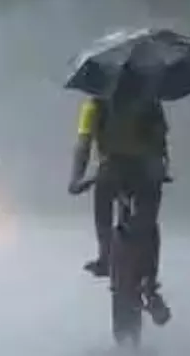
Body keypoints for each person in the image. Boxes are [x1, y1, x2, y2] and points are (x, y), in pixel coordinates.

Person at [67, 66, 171, 324]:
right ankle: (150, 284)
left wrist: (76, 179)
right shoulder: (150, 101)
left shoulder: (95, 104)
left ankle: (104, 255)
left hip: (112, 170)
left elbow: (83, 144)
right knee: (148, 221)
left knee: (102, 201)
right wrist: (161, 167)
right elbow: (161, 141)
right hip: (146, 172)